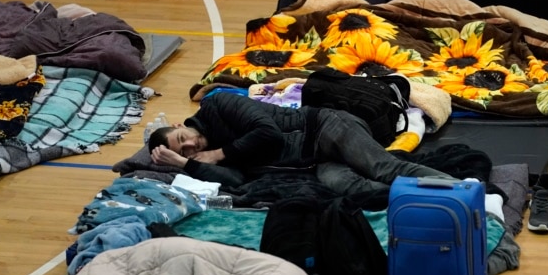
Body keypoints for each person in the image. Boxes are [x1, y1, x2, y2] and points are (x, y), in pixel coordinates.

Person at [148, 92, 455, 193]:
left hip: (326, 127)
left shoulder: (219, 105)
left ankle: (463, 190)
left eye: (181, 139)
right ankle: (426, 196)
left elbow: (266, 132)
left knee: (384, 168)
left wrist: (219, 153)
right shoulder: (202, 157)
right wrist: (188, 165)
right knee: (350, 187)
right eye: (183, 151)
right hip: (317, 160)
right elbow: (237, 181)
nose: (190, 146)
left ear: (179, 124)